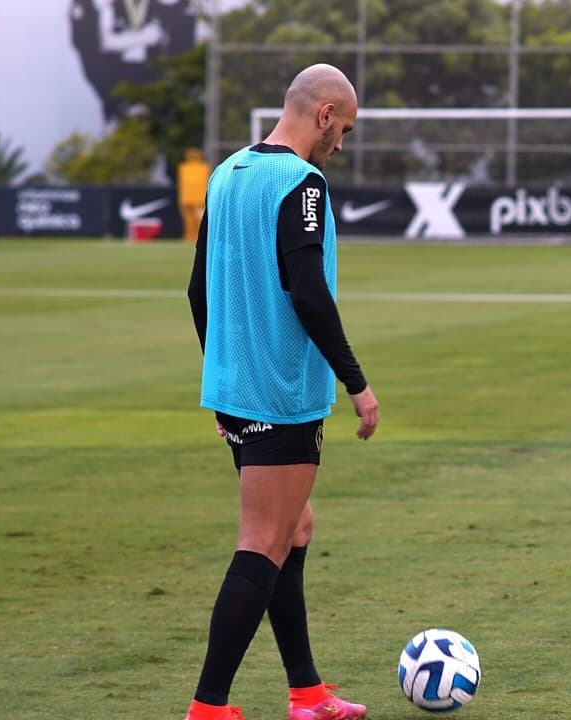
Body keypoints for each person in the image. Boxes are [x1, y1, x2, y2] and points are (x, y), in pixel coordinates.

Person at [184, 63, 379, 720]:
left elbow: (195, 291)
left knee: (294, 528)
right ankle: (208, 708)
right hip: (282, 393)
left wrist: (224, 379)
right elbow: (308, 293)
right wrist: (357, 382)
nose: (341, 145)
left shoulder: (227, 173)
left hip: (240, 390)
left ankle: (308, 693)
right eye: (343, 129)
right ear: (324, 114)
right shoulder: (304, 184)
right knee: (264, 538)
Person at [178, 147, 209, 243]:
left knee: (189, 222)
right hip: (200, 198)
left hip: (186, 198)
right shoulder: (204, 167)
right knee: (199, 221)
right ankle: (198, 238)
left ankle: (189, 237)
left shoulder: (183, 167)